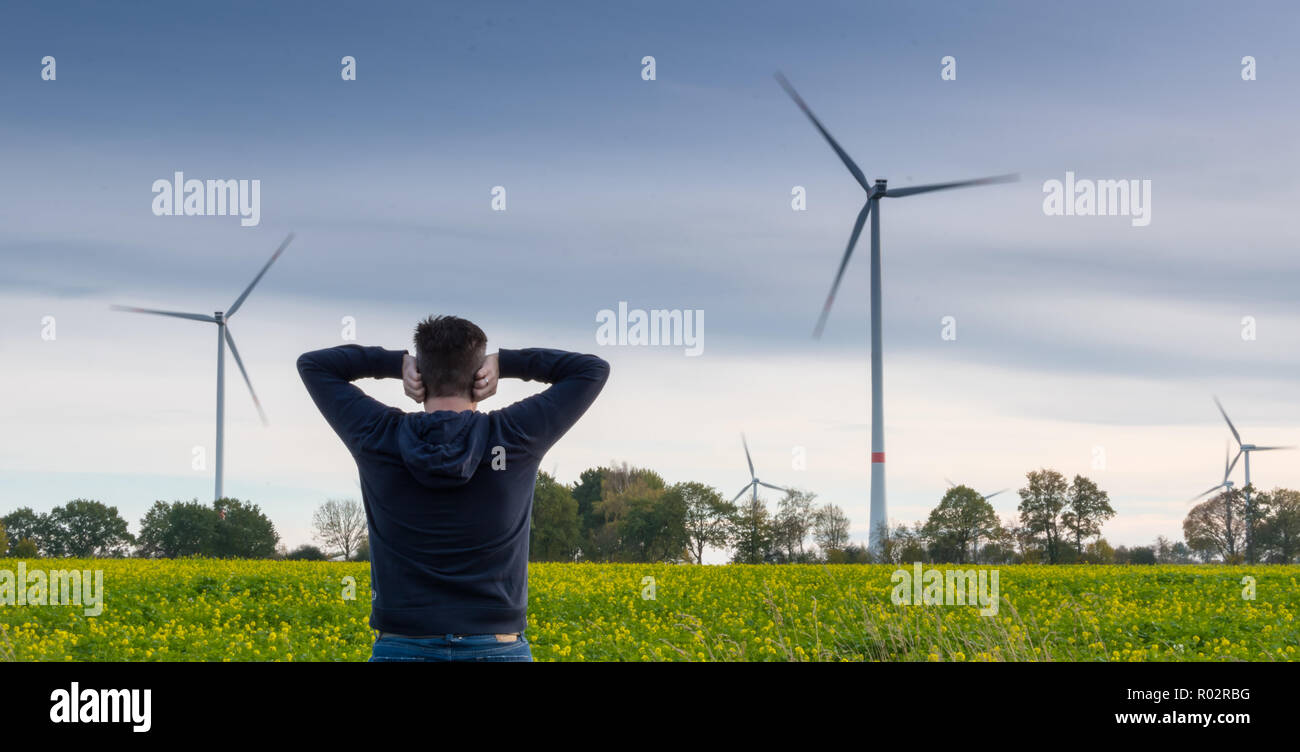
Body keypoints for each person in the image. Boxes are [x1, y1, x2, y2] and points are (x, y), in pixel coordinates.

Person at [297, 315, 609, 661]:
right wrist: (506, 363)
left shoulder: (378, 435)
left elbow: (314, 365)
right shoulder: (513, 437)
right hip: (497, 646)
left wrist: (393, 363)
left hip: (401, 645)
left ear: (420, 376)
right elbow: (590, 370)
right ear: (479, 378)